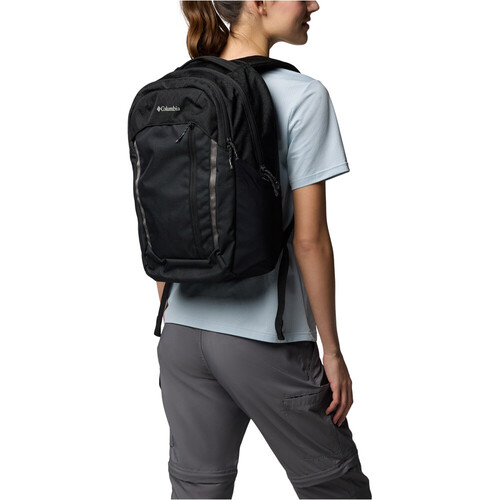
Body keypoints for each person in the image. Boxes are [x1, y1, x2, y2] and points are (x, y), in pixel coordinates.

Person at [156, 1, 372, 498]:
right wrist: (331, 352)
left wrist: (171, 311)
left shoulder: (176, 90)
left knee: (197, 491)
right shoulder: (302, 94)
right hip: (264, 339)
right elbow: (310, 239)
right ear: (258, 3)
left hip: (182, 334)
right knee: (336, 488)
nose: (314, 4)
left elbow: (164, 215)